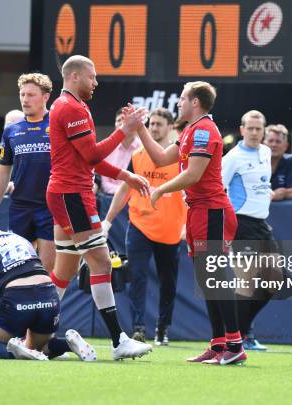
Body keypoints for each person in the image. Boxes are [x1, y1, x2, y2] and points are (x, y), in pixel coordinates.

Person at [46, 55, 153, 360]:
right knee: (102, 264)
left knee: (63, 273)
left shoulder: (67, 106)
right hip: (73, 197)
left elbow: (86, 158)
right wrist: (125, 130)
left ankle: (36, 334)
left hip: (67, 194)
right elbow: (92, 155)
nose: (96, 83)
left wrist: (124, 174)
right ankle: (119, 340)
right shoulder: (72, 108)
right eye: (92, 77)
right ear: (76, 76)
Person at [135, 81, 246, 365]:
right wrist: (139, 128)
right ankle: (219, 344)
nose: (179, 104)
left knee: (216, 278)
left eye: (183, 99)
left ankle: (235, 344)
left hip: (213, 211)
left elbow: (194, 174)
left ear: (195, 102)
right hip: (199, 211)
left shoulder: (205, 131)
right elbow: (159, 159)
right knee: (208, 281)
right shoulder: (190, 131)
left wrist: (160, 189)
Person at [0, 213, 96, 361]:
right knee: (39, 348)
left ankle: (16, 352)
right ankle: (68, 344)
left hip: (18, 295)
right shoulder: (17, 238)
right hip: (48, 292)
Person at [103, 108, 186, 345]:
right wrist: (108, 221)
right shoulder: (139, 155)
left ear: (171, 127)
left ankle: (162, 328)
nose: (155, 128)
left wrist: (187, 225)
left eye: (160, 124)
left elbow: (191, 191)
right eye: (152, 124)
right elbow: (125, 187)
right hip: (139, 224)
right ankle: (138, 327)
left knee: (168, 282)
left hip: (170, 228)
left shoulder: (180, 157)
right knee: (136, 277)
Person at [222, 110, 281, 352]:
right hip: (241, 224)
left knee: (275, 281)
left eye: (259, 128)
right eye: (251, 128)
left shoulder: (266, 152)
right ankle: (235, 337)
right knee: (246, 284)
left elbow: (261, 184)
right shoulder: (233, 157)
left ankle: (240, 332)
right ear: (242, 129)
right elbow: (219, 189)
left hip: (261, 225)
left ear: (264, 130)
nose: (255, 133)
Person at [0, 74, 56, 273]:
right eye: (22, 94)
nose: (25, 99)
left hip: (50, 206)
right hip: (21, 206)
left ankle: (47, 304)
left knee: (47, 270)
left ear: (45, 97)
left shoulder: (58, 125)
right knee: (18, 268)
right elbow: (3, 170)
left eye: (31, 95)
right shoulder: (11, 130)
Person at [95, 108, 141, 254]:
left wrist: (124, 190)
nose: (123, 124)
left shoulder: (144, 149)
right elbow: (102, 179)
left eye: (126, 121)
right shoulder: (106, 146)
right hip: (107, 199)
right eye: (119, 121)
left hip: (135, 199)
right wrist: (121, 190)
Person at [264, 124, 292, 200]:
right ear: (264, 144)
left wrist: (277, 195)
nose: (274, 145)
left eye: (278, 142)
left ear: (286, 146)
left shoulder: (291, 161)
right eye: (270, 141)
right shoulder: (256, 161)